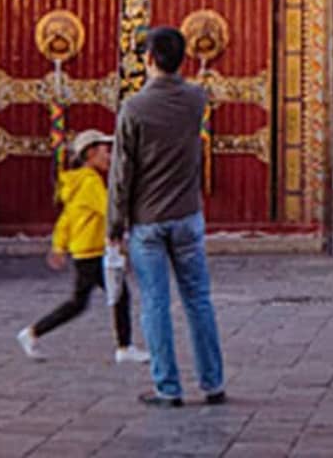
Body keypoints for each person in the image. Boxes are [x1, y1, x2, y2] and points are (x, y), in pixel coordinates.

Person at [107, 24, 224, 409]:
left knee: (156, 304)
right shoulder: (196, 99)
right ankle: (212, 382)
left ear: (149, 59)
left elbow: (122, 172)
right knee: (199, 301)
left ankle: (168, 387)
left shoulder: (134, 108)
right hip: (188, 214)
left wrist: (115, 226)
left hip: (148, 221)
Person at [16, 128, 148, 364]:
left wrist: (59, 246)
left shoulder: (77, 181)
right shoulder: (89, 182)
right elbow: (109, 210)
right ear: (90, 154)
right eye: (105, 152)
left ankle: (124, 346)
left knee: (111, 296)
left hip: (84, 249)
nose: (109, 157)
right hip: (92, 251)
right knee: (95, 299)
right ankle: (34, 332)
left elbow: (67, 218)